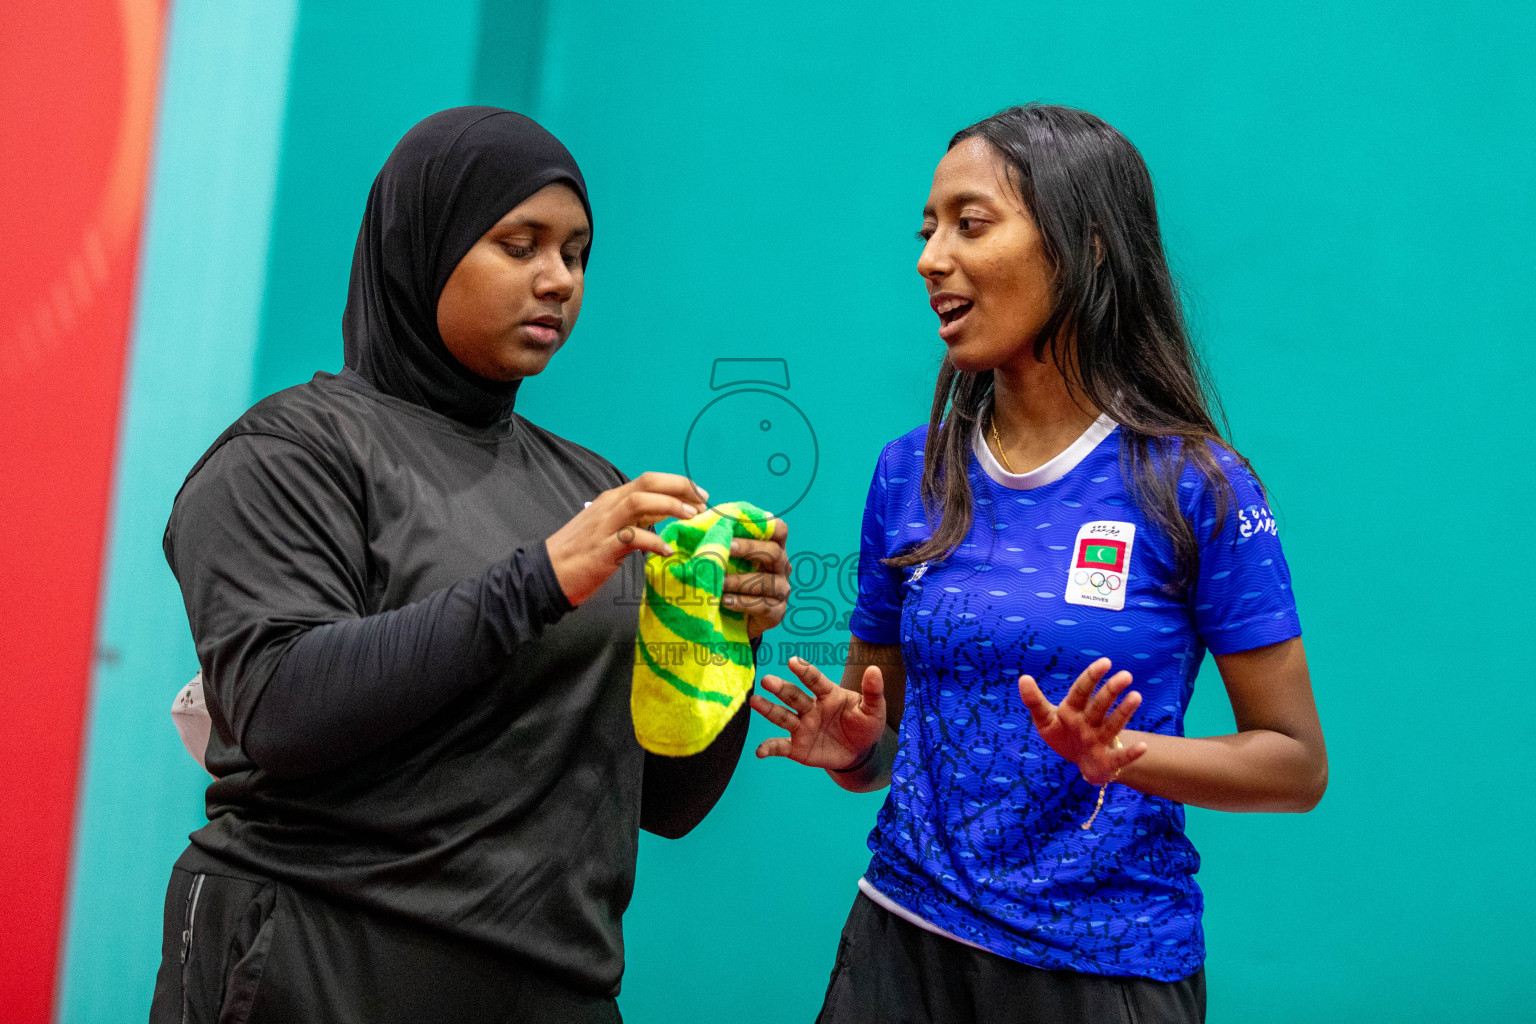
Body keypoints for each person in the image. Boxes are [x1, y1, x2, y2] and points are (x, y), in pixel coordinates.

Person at [148, 107, 790, 1024]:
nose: (556, 280)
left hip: (549, 982)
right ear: (425, 246)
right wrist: (542, 579)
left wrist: (724, 638)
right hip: (321, 953)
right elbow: (281, 709)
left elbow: (666, 799)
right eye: (518, 244)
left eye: (576, 253)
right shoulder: (291, 452)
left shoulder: (586, 484)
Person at [750, 104, 1326, 1024]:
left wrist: (1127, 756)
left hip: (1103, 968)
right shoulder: (910, 470)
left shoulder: (1197, 486)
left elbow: (1295, 765)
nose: (931, 258)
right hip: (901, 942)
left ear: (1088, 245)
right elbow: (883, 737)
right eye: (928, 229)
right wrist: (858, 754)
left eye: (970, 225)